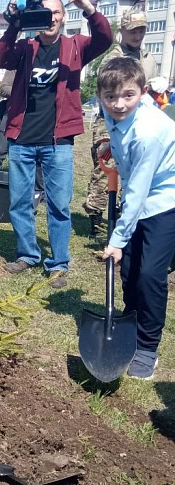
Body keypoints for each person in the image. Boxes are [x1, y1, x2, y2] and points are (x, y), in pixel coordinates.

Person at [0, 0, 112, 288]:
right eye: (45, 13)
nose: (51, 18)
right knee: (20, 202)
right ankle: (27, 255)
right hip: (21, 139)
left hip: (58, 142)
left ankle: (58, 263)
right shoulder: (25, 47)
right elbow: (0, 59)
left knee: (59, 204)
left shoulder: (76, 47)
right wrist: (13, 23)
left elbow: (104, 38)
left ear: (63, 17)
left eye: (56, 13)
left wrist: (89, 9)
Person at [98, 57, 175, 380]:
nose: (118, 105)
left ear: (143, 92)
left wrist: (116, 240)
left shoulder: (148, 133)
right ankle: (129, 329)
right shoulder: (112, 109)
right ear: (101, 94)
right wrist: (110, 145)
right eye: (111, 97)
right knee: (129, 272)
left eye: (128, 96)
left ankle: (146, 347)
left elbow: (141, 192)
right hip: (138, 195)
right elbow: (118, 134)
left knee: (149, 276)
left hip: (166, 201)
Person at [83, 4, 157, 240]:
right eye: (133, 30)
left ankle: (122, 217)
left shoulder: (148, 58)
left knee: (133, 169)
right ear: (122, 31)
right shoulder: (114, 57)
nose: (137, 35)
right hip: (109, 121)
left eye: (141, 30)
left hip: (138, 120)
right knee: (105, 168)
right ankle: (95, 217)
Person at [0, 70, 45, 209]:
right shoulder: (16, 65)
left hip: (37, 116)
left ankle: (40, 193)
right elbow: (4, 88)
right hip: (13, 114)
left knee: (38, 156)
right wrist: (25, 92)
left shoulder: (47, 65)